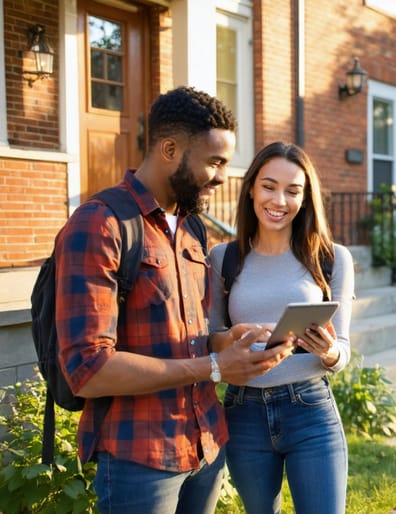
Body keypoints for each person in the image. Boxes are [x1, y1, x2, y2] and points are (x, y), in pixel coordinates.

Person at [56, 86, 295, 514]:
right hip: (138, 458)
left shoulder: (191, 227)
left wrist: (222, 342)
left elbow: (182, 335)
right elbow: (87, 370)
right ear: (169, 149)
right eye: (215, 162)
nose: (223, 176)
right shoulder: (101, 224)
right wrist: (216, 366)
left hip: (204, 446)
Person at [207, 141, 355, 514]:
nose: (280, 200)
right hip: (244, 411)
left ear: (305, 199)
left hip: (309, 408)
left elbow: (342, 352)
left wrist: (329, 351)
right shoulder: (223, 258)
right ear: (252, 188)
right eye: (269, 186)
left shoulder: (332, 258)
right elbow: (209, 337)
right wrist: (236, 338)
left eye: (293, 191)